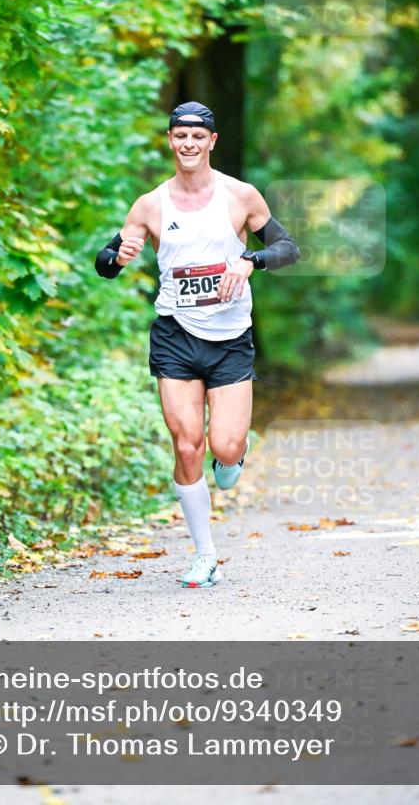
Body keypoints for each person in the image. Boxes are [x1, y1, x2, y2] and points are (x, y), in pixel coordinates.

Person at [95, 101, 300, 588]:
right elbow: (106, 263)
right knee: (186, 444)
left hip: (230, 338)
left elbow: (289, 248)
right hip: (175, 336)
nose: (188, 143)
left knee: (223, 448)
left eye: (197, 136)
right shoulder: (150, 204)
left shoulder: (240, 196)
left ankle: (232, 456)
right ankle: (204, 555)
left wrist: (250, 261)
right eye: (179, 135)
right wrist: (115, 255)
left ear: (212, 141)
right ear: (170, 141)